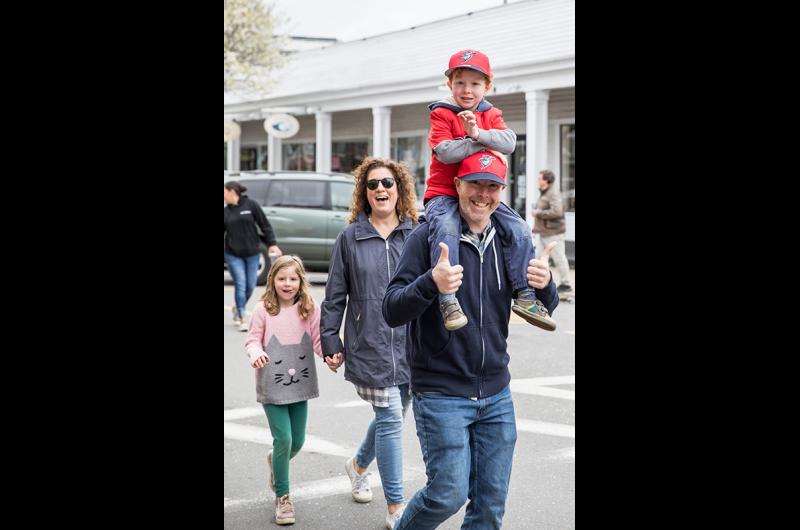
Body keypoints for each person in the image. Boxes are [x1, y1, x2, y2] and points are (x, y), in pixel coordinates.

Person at [382, 155, 559, 529]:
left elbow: (542, 307)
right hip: (441, 392)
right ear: (458, 185)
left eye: (492, 186)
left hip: (496, 393)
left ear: (502, 192)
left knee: (490, 506)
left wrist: (546, 286)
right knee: (446, 494)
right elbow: (392, 309)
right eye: (475, 184)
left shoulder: (511, 240)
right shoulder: (427, 236)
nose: (483, 194)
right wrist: (431, 282)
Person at [424, 49, 555, 332]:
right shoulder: (442, 113)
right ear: (450, 85)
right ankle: (448, 298)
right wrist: (479, 141)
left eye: (475, 83)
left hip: (480, 195)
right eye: (460, 83)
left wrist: (479, 134)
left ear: (487, 85)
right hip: (444, 194)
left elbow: (508, 142)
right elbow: (446, 152)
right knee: (446, 230)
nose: (467, 90)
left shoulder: (490, 113)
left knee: (520, 229)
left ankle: (525, 295)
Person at [320, 157, 419, 530]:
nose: (381, 189)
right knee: (391, 418)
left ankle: (358, 465)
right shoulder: (350, 237)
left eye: (388, 183)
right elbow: (334, 294)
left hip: (413, 343)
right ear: (364, 192)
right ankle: (396, 507)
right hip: (369, 343)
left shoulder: (416, 232)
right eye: (373, 184)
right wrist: (330, 338)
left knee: (395, 413)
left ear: (399, 189)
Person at [244, 255, 322, 525]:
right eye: (281, 278)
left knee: (297, 441)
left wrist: (332, 356)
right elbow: (252, 339)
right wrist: (256, 354)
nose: (287, 284)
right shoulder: (264, 309)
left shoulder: (308, 308)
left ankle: (275, 461)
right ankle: (283, 496)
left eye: (292, 278)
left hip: (301, 382)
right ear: (272, 280)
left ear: (301, 281)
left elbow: (318, 340)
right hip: (271, 384)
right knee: (284, 440)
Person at [224, 180, 283, 331]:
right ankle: (242, 316)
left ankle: (238, 308)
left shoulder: (251, 205)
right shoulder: (226, 212)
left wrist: (272, 243)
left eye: (224, 192)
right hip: (233, 254)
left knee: (250, 285)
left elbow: (265, 224)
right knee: (241, 283)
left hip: (252, 253)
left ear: (232, 191)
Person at [532, 169, 573, 295]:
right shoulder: (545, 192)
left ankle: (566, 284)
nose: (538, 181)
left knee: (559, 258)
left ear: (546, 181)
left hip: (554, 233)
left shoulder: (553, 193)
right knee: (538, 258)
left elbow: (557, 211)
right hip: (544, 232)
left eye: (540, 178)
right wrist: (535, 228)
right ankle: (536, 283)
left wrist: (539, 213)